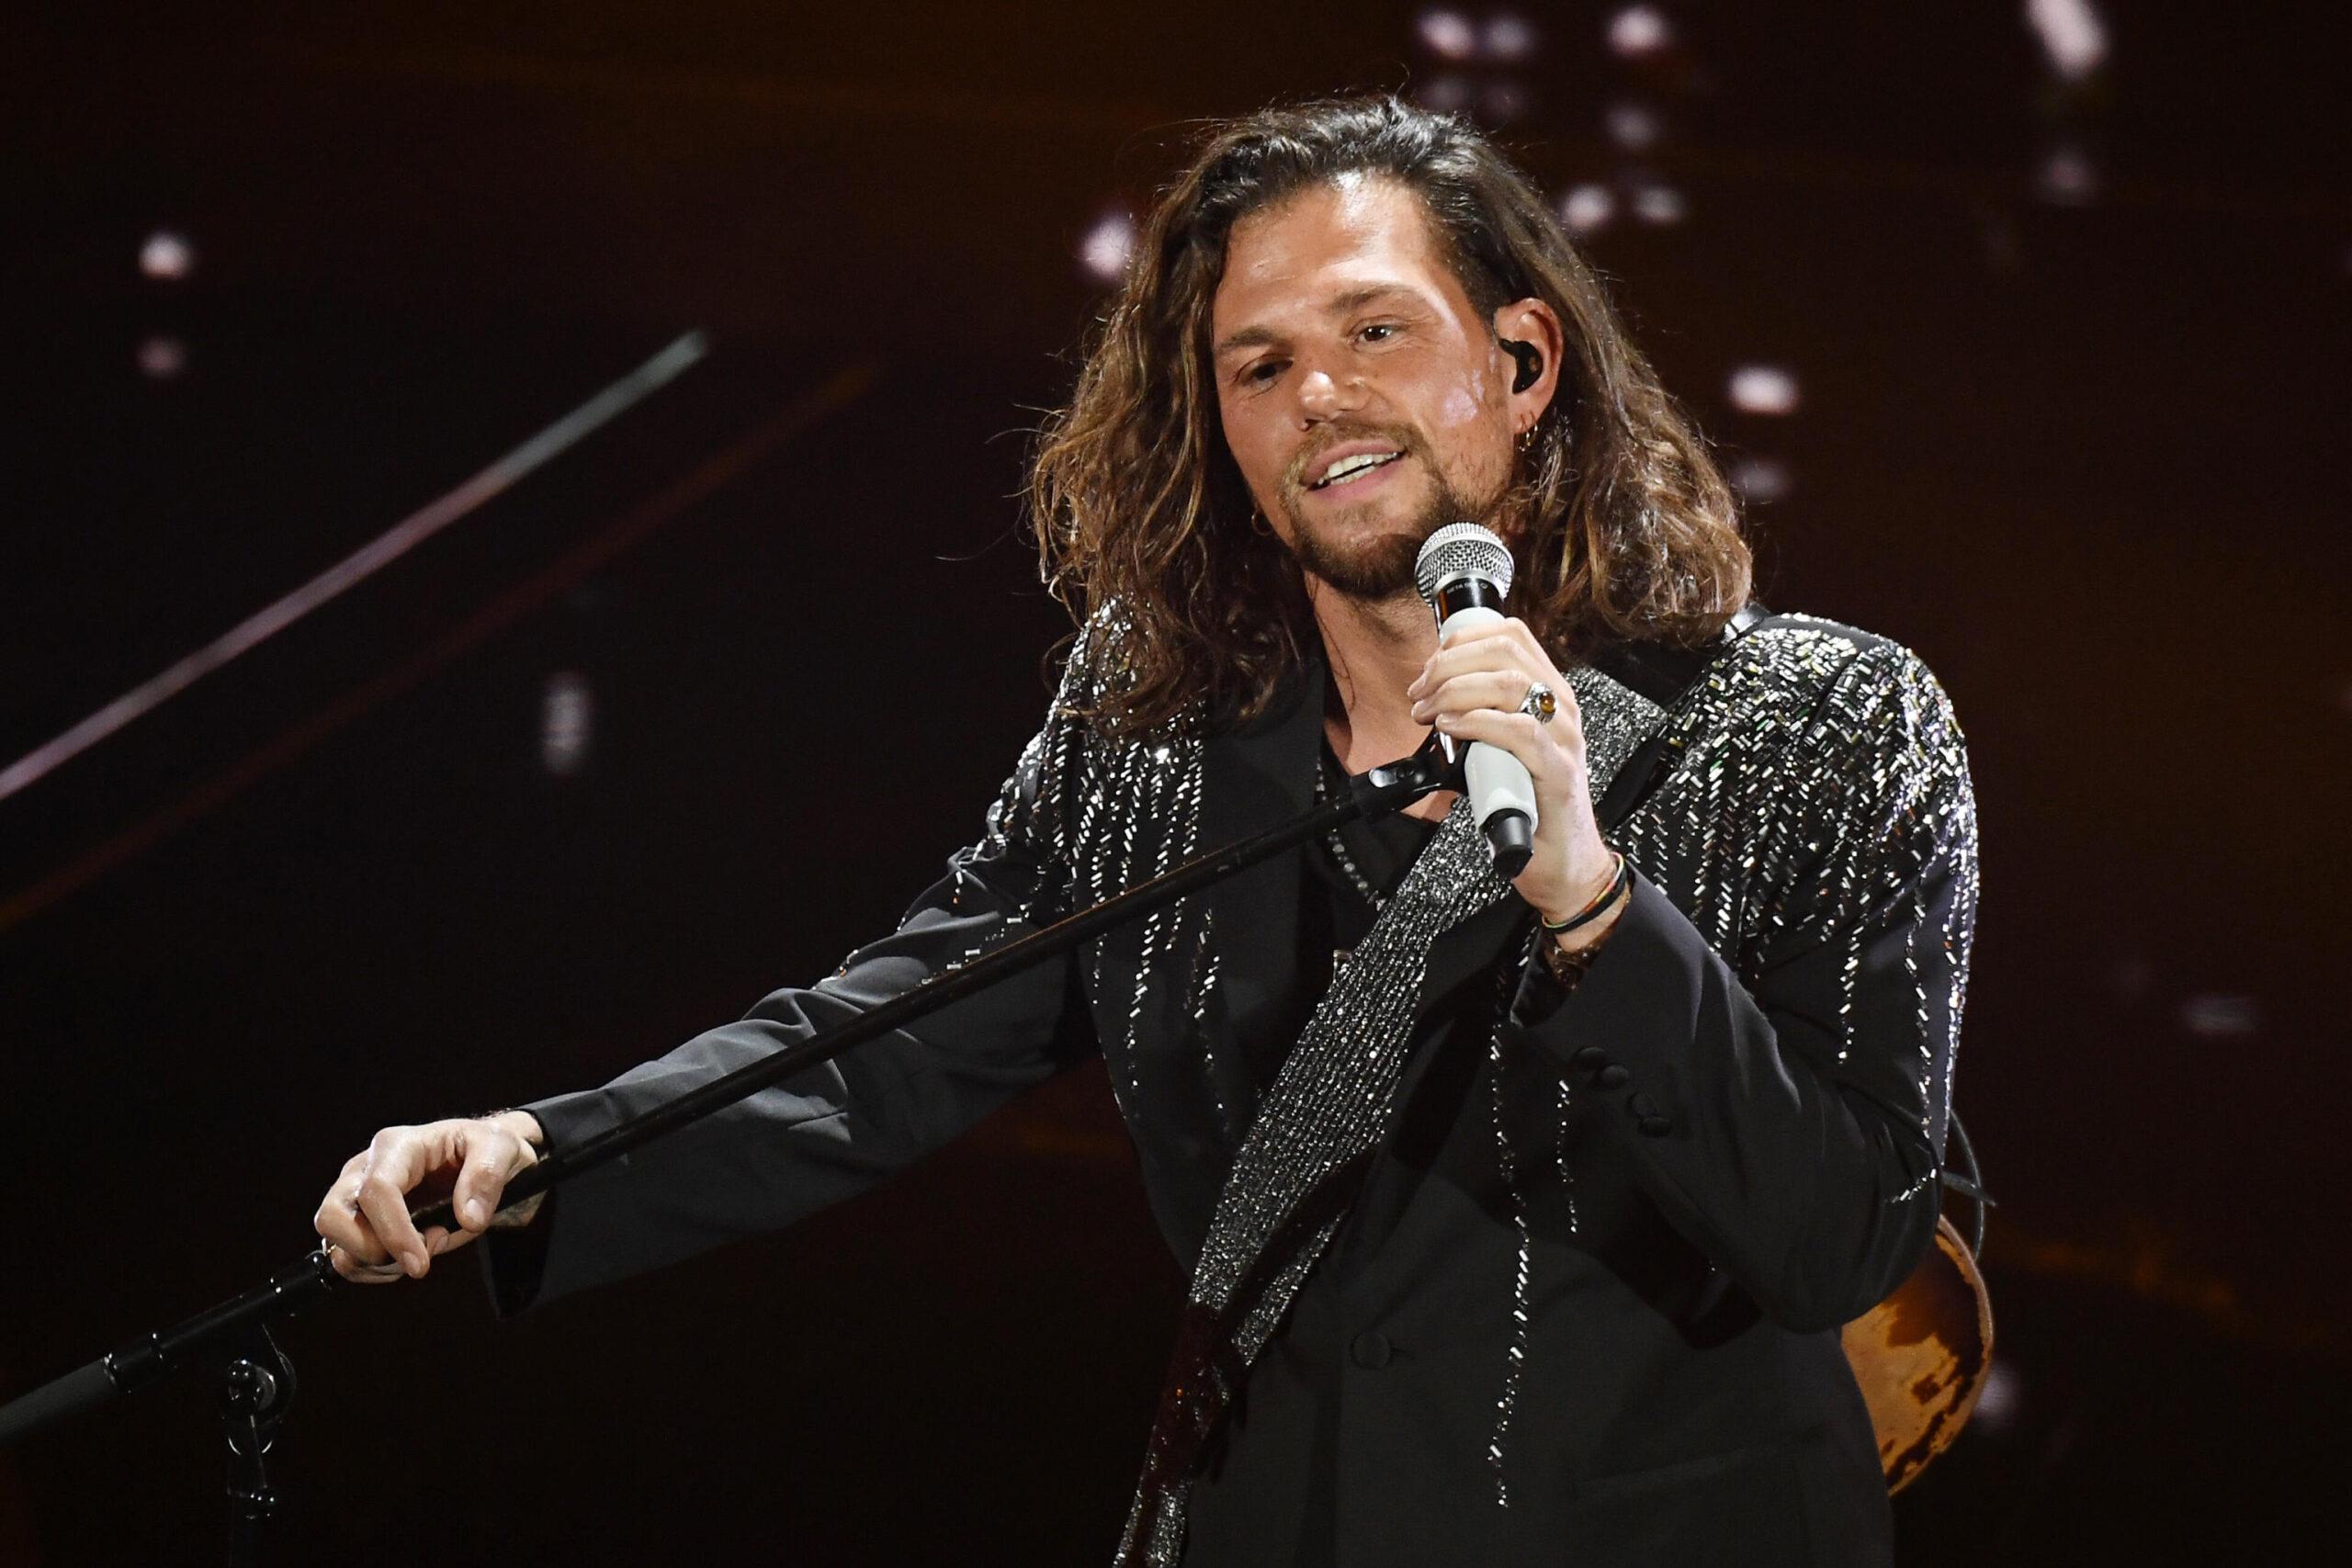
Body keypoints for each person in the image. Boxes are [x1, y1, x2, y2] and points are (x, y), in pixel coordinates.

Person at [312, 96, 1978, 1566]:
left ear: (1522, 361)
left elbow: (1842, 1233)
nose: (1320, 395)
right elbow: (879, 1046)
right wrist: (550, 1156)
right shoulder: (1159, 726)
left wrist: (1593, 901)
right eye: (1259, 365)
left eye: (1378, 332)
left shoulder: (1821, 724)